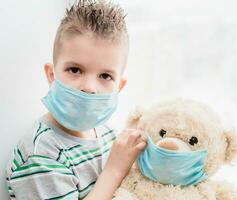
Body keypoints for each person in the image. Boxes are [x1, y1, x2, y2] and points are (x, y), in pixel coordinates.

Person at [5, 0, 147, 199]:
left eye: (105, 76)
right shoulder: (40, 154)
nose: (89, 87)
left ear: (119, 87)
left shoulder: (107, 135)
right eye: (75, 70)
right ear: (51, 75)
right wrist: (115, 169)